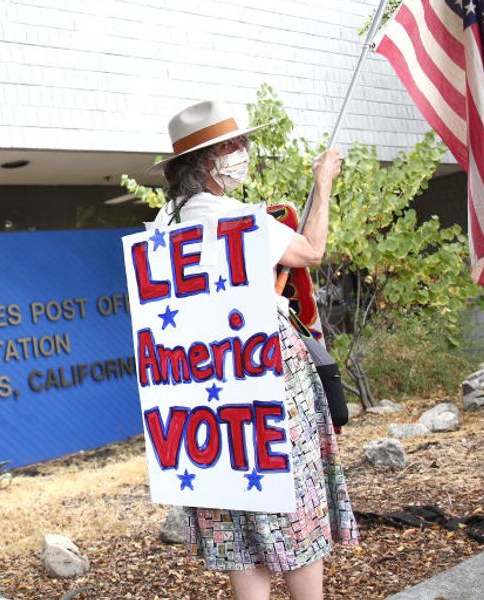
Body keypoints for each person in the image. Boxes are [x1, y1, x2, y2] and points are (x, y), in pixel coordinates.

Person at [148, 100, 359, 600]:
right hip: (266, 368)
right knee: (293, 494)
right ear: (204, 163)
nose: (242, 153)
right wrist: (322, 182)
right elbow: (310, 250)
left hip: (202, 382)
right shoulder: (235, 218)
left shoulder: (161, 224)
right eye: (231, 146)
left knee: (235, 501)